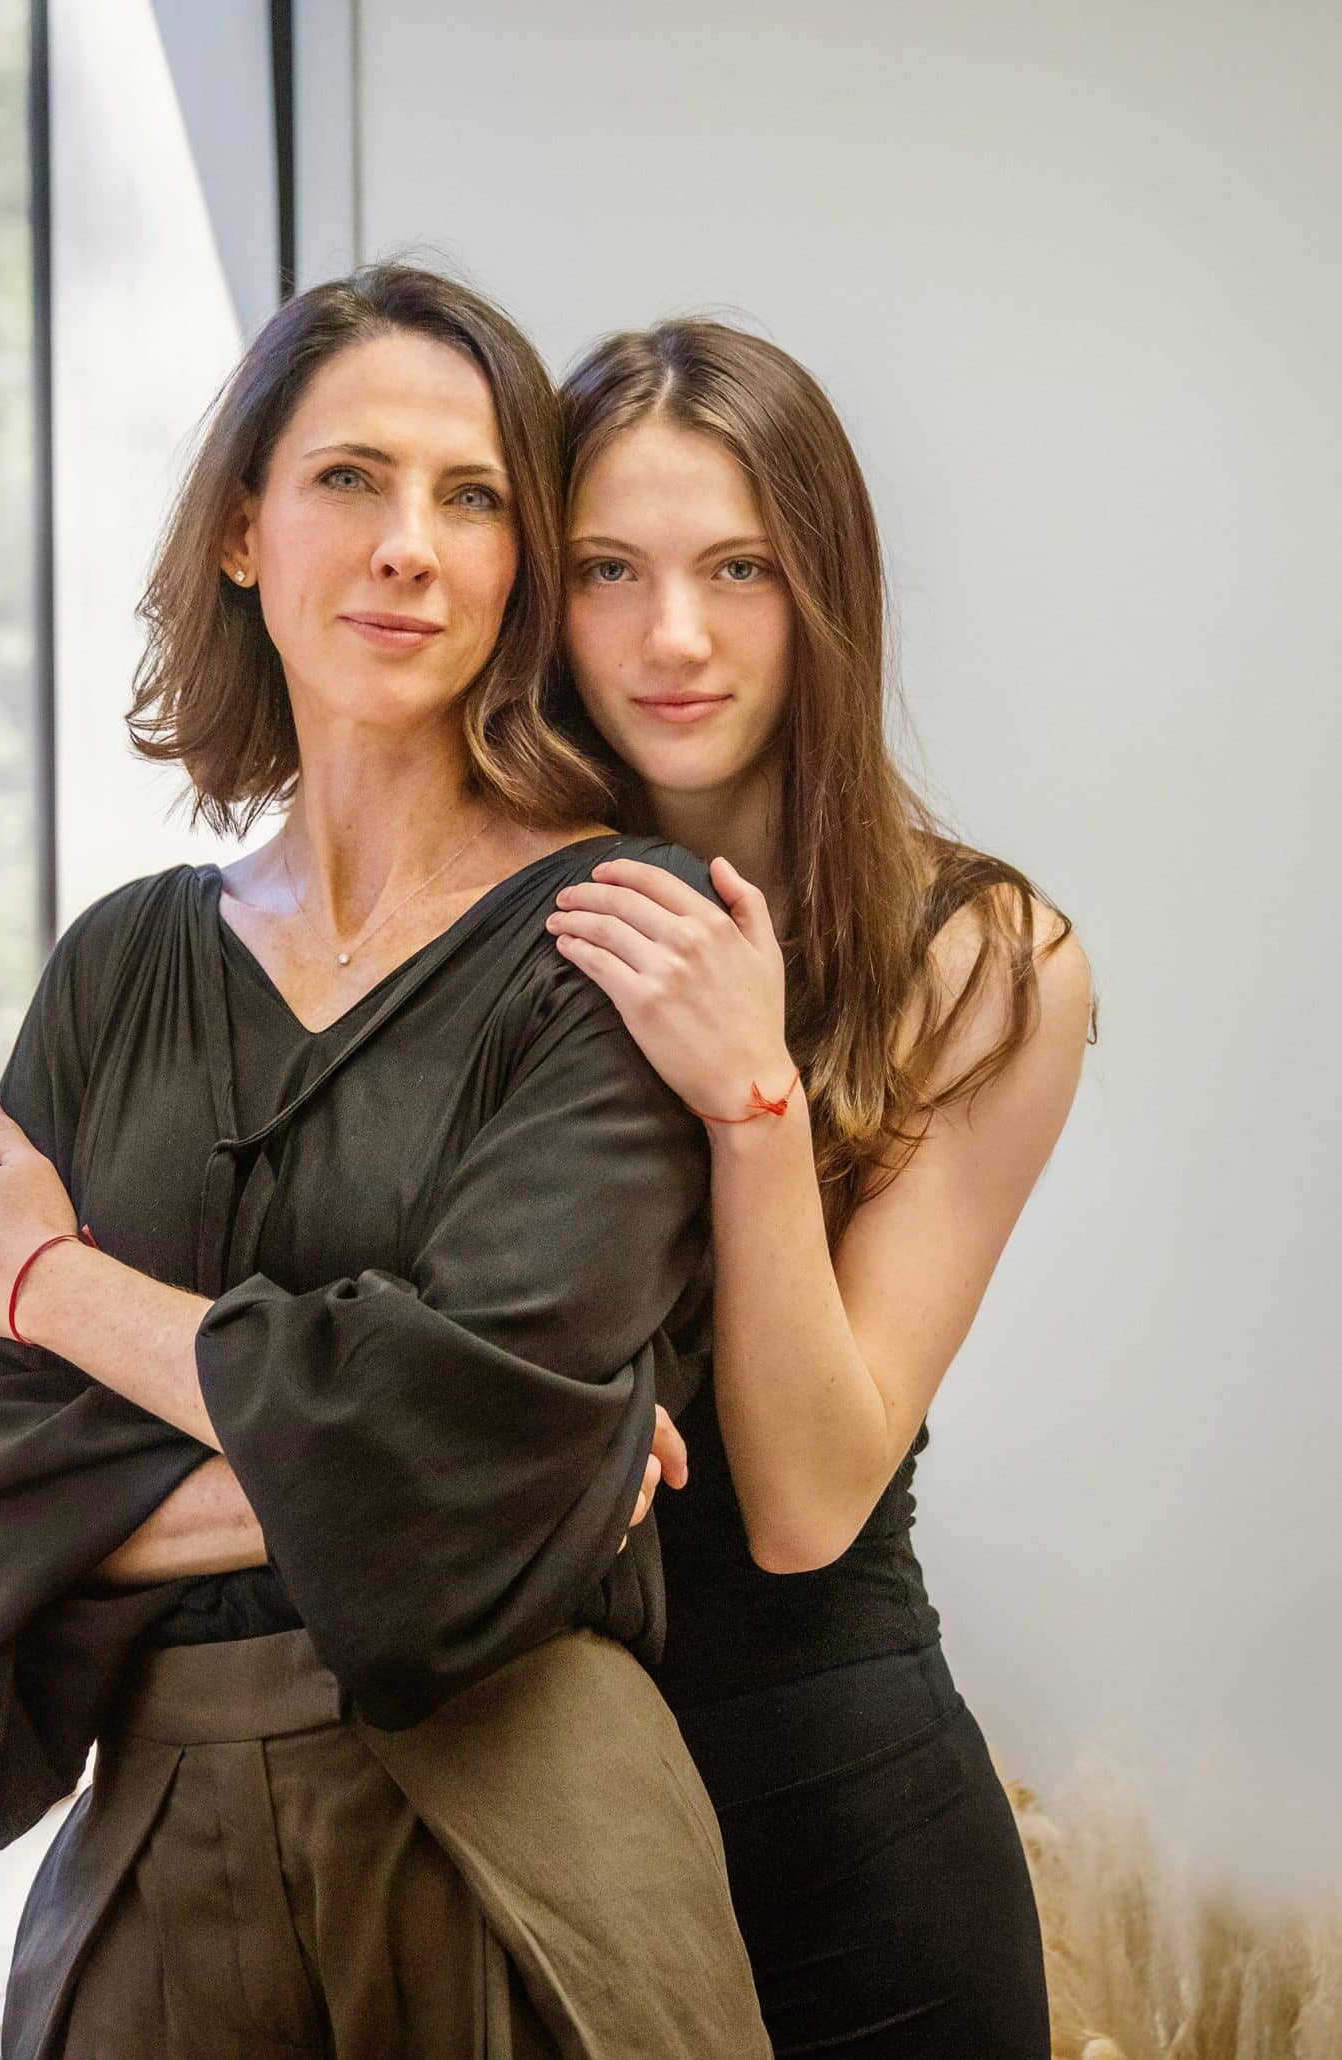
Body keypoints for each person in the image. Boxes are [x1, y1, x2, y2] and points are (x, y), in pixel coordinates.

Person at [0, 269, 770, 2059]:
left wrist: (57, 1293)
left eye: (473, 498)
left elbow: (474, 1458)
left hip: (529, 1844)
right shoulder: (119, 966)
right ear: (239, 528)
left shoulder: (618, 931)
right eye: (350, 479)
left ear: (520, 565)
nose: (409, 549)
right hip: (145, 1865)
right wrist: (481, 1465)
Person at [542, 319, 1094, 2056]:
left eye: (740, 569)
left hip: (842, 1829)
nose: (674, 636)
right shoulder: (475, 926)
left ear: (826, 592)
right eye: (606, 571)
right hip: (529, 1826)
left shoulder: (984, 958)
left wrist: (754, 1098)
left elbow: (802, 1507)